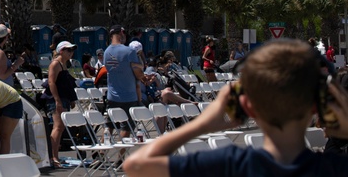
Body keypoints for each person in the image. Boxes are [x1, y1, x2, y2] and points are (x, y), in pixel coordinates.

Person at [123, 38, 348, 176]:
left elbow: (137, 165)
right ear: (317, 106)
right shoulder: (335, 169)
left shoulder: (232, 165)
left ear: (246, 106)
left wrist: (202, 123)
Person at [48, 41, 78, 168]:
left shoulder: (64, 65)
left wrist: (71, 99)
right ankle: (53, 157)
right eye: (68, 50)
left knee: (61, 128)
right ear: (61, 51)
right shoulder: (55, 64)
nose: (71, 53)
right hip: (57, 99)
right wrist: (57, 100)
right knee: (58, 127)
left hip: (64, 98)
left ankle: (56, 155)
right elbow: (51, 82)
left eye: (72, 50)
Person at [104, 25, 143, 118]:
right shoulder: (129, 51)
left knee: (111, 126)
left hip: (112, 96)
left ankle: (107, 133)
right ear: (121, 33)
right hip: (128, 97)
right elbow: (139, 75)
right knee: (126, 129)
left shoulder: (106, 52)